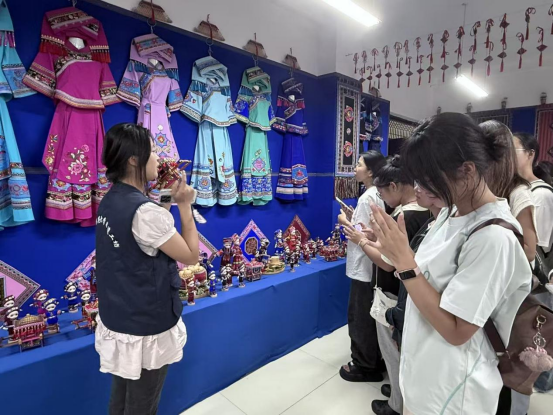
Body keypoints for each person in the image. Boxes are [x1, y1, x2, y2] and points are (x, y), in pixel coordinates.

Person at [365, 113, 531, 414]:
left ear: (467, 170)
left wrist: (404, 263)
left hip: (454, 389)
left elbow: (457, 330)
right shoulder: (449, 213)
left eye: (429, 179)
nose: (420, 187)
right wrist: (395, 252)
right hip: (424, 372)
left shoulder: (494, 237)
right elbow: (426, 280)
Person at [95, 123, 200, 415]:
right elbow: (191, 256)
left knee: (121, 398)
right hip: (145, 323)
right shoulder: (143, 211)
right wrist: (185, 205)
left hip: (120, 317)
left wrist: (166, 196)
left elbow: (152, 231)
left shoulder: (111, 199)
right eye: (152, 151)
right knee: (142, 405)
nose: (158, 158)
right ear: (133, 158)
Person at [370, 181, 442, 415]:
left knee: (397, 355)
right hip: (409, 302)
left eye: (425, 181)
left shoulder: (409, 215)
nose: (417, 188)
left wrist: (362, 241)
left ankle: (396, 403)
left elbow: (392, 265)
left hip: (407, 302)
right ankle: (399, 394)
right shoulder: (432, 221)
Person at [337, 151, 386, 382]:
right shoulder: (377, 194)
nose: (355, 169)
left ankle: (364, 365)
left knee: (360, 316)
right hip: (373, 263)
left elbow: (360, 234)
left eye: (359, 165)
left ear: (371, 171)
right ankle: (374, 358)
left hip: (364, 264)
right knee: (368, 315)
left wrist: (345, 222)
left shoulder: (368, 197)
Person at [482, 121, 537, 263]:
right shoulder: (479, 185)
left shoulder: (518, 192)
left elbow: (529, 251)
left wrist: (487, 240)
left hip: (506, 268)